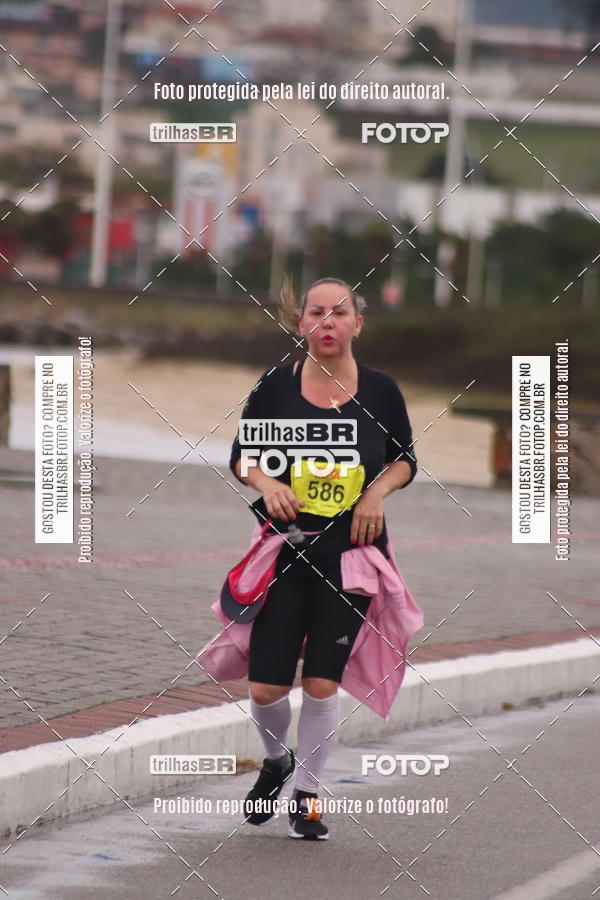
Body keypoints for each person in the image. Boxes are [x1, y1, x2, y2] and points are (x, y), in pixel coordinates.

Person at [228, 276, 417, 841]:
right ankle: (276, 760)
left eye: (340, 313)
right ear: (301, 323)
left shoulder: (381, 391)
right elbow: (243, 456)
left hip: (350, 558)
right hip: (286, 551)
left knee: (320, 685)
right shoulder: (274, 388)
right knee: (265, 689)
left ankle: (307, 793)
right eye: (317, 312)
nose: (327, 322)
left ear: (358, 323)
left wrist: (376, 494)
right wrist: (266, 482)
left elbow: (404, 459)